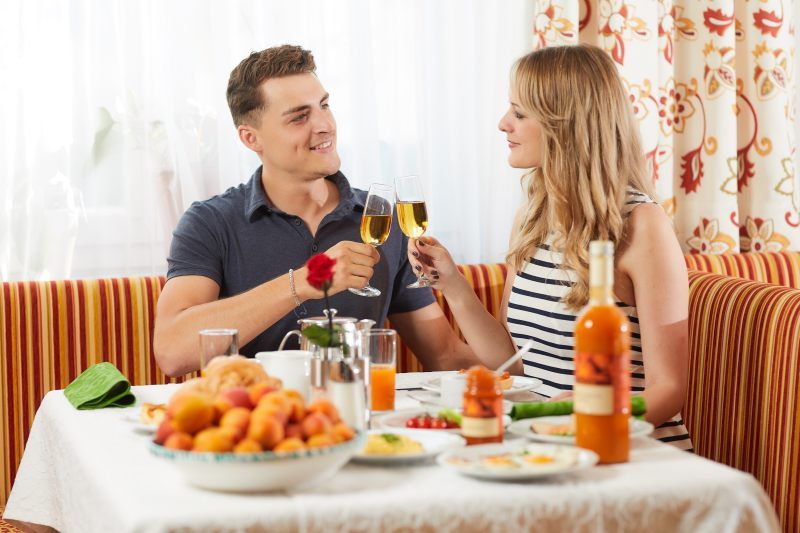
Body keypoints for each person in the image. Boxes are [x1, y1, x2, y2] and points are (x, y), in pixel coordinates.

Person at [409, 44, 691, 449]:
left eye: (519, 113)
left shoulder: (641, 226)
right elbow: (513, 360)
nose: (503, 123)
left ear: (567, 125)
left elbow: (668, 391)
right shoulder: (532, 218)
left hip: (627, 452)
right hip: (553, 446)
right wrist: (452, 283)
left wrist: (585, 410)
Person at [154, 45, 477, 377]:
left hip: (357, 419)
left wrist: (523, 385)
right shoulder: (210, 222)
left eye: (324, 106)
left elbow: (445, 354)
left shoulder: (381, 219)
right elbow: (172, 351)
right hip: (258, 419)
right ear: (251, 139)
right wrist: (306, 282)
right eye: (299, 116)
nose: (325, 125)